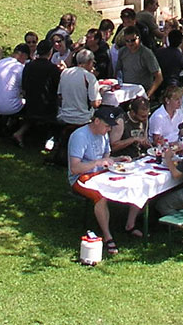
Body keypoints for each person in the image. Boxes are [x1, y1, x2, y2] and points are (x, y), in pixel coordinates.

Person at [68, 106, 145, 254]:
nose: (109, 129)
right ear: (96, 121)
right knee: (101, 197)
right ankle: (107, 236)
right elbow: (74, 168)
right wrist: (97, 163)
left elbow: (106, 158)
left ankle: (130, 224)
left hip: (100, 173)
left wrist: (117, 159)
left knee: (136, 180)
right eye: (107, 125)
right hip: (81, 177)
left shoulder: (102, 134)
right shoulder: (80, 136)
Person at [50, 49, 102, 163]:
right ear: (89, 62)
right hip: (82, 117)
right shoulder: (89, 77)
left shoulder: (65, 73)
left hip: (64, 115)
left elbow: (59, 95)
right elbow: (95, 103)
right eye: (93, 62)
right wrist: (100, 94)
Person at [21, 39, 61, 146]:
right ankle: (52, 139)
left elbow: (23, 86)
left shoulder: (28, 66)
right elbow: (59, 89)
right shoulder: (53, 69)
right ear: (50, 52)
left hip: (30, 104)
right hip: (47, 108)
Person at [114, 26, 163, 98]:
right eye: (127, 41)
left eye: (133, 40)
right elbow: (118, 71)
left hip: (141, 93)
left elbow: (159, 77)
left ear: (139, 38)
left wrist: (148, 93)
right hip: (125, 93)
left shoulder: (146, 53)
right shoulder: (122, 51)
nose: (130, 43)